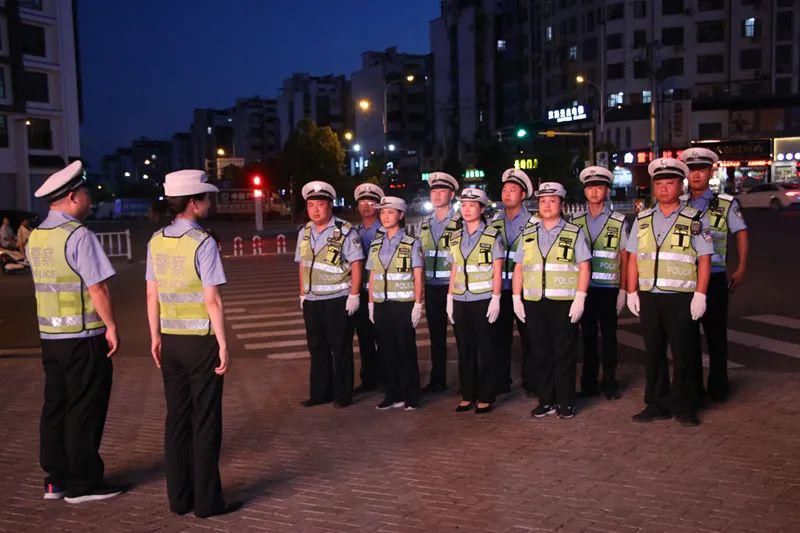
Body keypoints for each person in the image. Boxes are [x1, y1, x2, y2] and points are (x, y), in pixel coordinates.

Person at [27, 160, 123, 503]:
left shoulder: (37, 236)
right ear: (70, 197)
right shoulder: (78, 235)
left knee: (55, 405)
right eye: (85, 193)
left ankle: (56, 479)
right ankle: (84, 484)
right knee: (85, 408)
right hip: (83, 338)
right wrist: (111, 326)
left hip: (50, 339)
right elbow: (98, 288)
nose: (90, 199)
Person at [145, 169, 238, 518]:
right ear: (194, 203)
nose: (210, 202)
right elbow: (212, 299)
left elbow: (151, 293)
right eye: (206, 197)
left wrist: (155, 336)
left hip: (170, 341)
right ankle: (208, 503)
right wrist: (224, 343)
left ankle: (179, 499)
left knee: (177, 419)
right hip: (201, 341)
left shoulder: (156, 240)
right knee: (205, 421)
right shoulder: (203, 243)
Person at [626, 158, 713, 427]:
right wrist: (631, 291)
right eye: (659, 184)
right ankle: (656, 403)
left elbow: (705, 259)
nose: (664, 189)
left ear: (680, 185)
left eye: (670, 183)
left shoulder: (695, 218)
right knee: (653, 352)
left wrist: (701, 294)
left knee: (684, 352)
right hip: (650, 295)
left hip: (681, 296)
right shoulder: (642, 219)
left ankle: (685, 405)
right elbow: (631, 257)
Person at [512, 182, 591, 420]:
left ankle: (565, 401)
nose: (547, 205)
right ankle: (545, 400)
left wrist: (580, 297)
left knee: (564, 353)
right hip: (535, 301)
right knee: (540, 353)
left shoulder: (573, 232)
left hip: (564, 301)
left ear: (561, 204)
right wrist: (517, 297)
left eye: (552, 201)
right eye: (543, 201)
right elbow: (519, 268)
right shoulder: (528, 233)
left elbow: (584, 266)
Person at [680, 147, 748, 403]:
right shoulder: (680, 205)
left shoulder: (726, 203)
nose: (696, 174)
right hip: (687, 279)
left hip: (717, 277)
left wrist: (741, 268)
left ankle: (719, 387)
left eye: (701, 169)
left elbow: (741, 233)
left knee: (716, 335)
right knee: (688, 338)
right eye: (692, 169)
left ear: (710, 172)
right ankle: (694, 389)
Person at [296, 180, 363, 408]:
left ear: (330, 206)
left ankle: (343, 395)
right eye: (311, 204)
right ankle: (320, 393)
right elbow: (303, 264)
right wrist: (302, 293)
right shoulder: (304, 232)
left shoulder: (344, 231)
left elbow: (356, 264)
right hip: (313, 301)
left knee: (340, 349)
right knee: (317, 349)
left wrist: (354, 295)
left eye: (320, 204)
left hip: (337, 299)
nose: (315, 209)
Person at [572, 166, 629, 400]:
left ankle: (609, 381)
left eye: (599, 187)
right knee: (586, 337)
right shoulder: (575, 221)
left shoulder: (618, 221)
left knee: (609, 337)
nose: (594, 192)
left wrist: (625, 290)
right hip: (585, 290)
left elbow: (625, 258)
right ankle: (588, 383)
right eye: (590, 187)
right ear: (585, 191)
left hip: (609, 289)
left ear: (607, 190)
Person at [447, 187, 504, 414]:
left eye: (472, 205)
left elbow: (497, 270)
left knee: (486, 348)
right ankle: (468, 394)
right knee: (465, 349)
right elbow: (455, 268)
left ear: (481, 209)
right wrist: (450, 297)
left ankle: (486, 395)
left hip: (484, 299)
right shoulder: (455, 236)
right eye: (464, 205)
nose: (467, 209)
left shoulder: (491, 235)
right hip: (461, 299)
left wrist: (496, 298)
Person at [366, 196, 424, 410]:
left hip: (403, 304)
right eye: (382, 212)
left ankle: (411, 396)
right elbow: (373, 275)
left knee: (405, 350)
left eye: (390, 212)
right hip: (382, 303)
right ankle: (393, 394)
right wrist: (371, 302)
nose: (385, 216)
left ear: (400, 215)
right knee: (386, 350)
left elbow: (418, 275)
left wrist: (418, 303)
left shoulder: (411, 242)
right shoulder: (376, 244)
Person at [489, 168, 535, 396]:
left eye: (513, 190)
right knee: (499, 338)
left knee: (530, 338)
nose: (507, 194)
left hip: (525, 290)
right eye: (505, 190)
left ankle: (532, 382)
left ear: (523, 195)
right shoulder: (494, 223)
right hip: (500, 290)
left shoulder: (534, 223)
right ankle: (500, 381)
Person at [418, 172, 461, 393]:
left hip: (456, 288)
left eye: (442, 191)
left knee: (463, 336)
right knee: (436, 336)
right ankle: (438, 379)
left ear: (451, 194)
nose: (437, 195)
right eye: (433, 191)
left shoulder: (462, 221)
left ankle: (467, 381)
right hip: (432, 287)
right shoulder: (424, 223)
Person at [353, 182, 385, 394]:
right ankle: (368, 379)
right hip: (361, 292)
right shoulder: (353, 232)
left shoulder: (384, 231)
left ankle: (385, 378)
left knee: (383, 337)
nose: (366, 206)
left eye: (371, 202)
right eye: (362, 202)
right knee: (364, 337)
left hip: (381, 292)